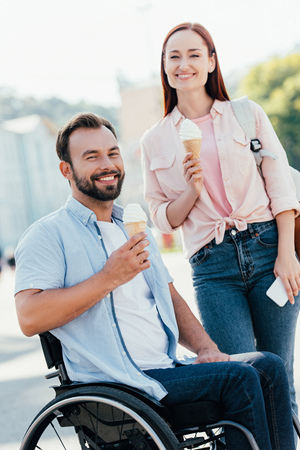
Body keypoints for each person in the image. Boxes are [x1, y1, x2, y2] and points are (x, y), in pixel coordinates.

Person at [14, 112, 296, 449]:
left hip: (167, 368)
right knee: (239, 378)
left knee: (268, 365)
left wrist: (207, 349)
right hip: (119, 383)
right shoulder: (48, 234)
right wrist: (109, 277)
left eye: (112, 153)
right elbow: (29, 317)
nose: (108, 164)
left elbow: (168, 294)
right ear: (66, 170)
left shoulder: (131, 227)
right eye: (92, 157)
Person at [140, 22, 300, 416]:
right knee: (240, 376)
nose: (184, 64)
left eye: (194, 54)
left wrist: (287, 253)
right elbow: (161, 219)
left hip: (267, 252)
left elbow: (280, 186)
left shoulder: (247, 114)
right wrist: (191, 191)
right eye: (174, 56)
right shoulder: (155, 139)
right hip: (213, 269)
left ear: (211, 62)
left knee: (280, 377)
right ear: (164, 66)